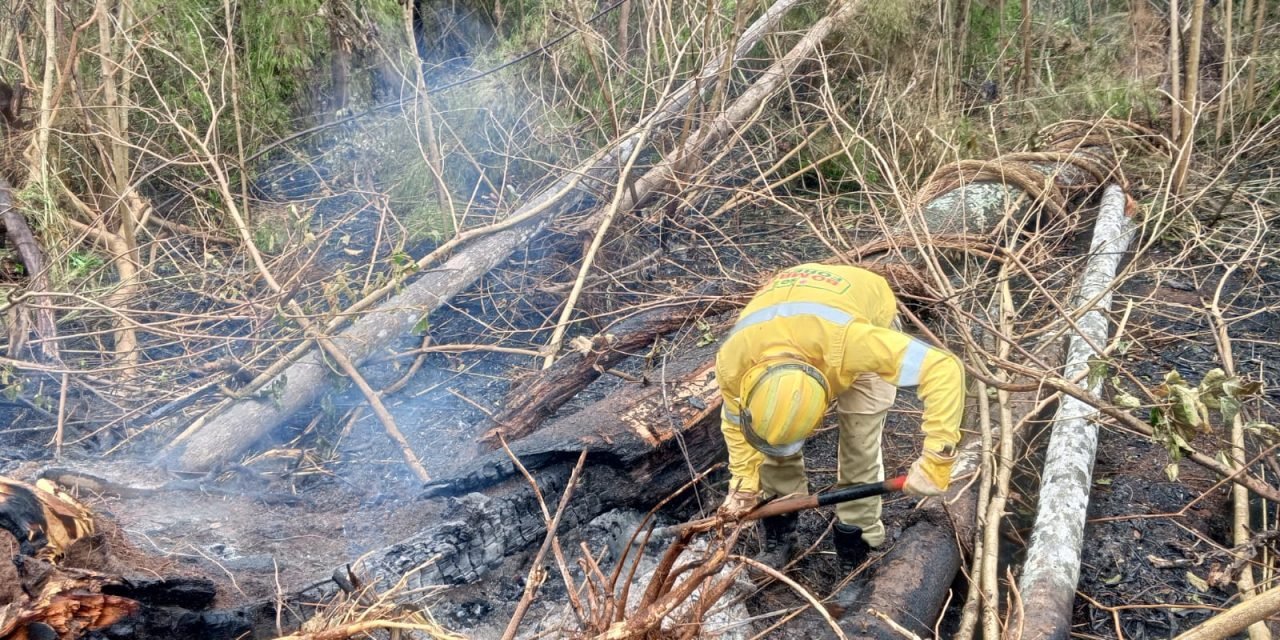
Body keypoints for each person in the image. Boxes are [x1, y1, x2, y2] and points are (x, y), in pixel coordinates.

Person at [715, 263, 965, 569]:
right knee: (771, 453)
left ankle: (857, 542)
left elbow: (943, 368)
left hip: (864, 316)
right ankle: (781, 530)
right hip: (792, 316)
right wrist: (743, 485)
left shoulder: (854, 342)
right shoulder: (733, 361)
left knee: (860, 444)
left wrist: (938, 458)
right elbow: (734, 425)